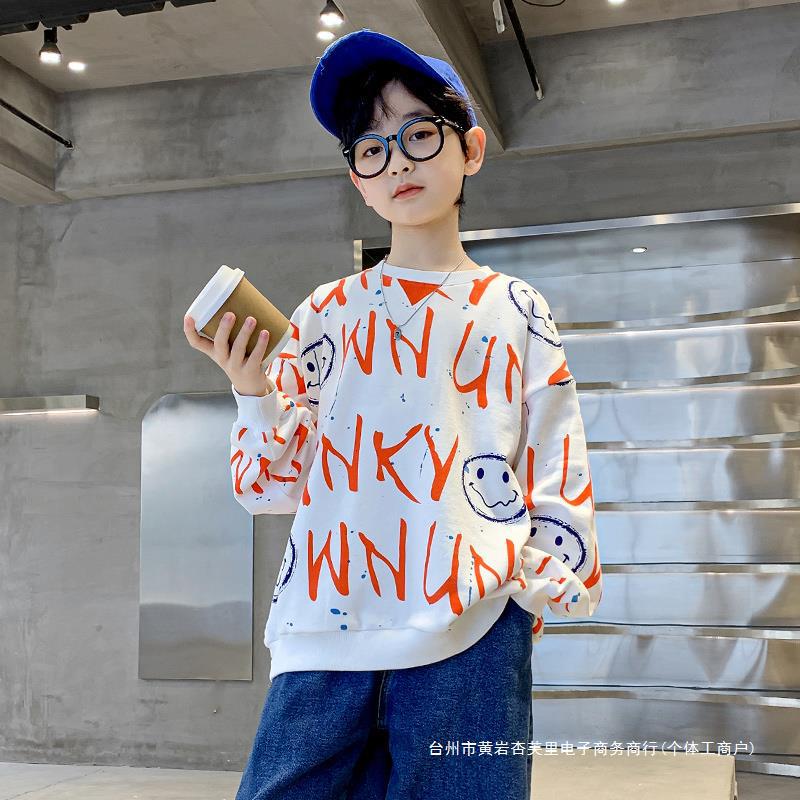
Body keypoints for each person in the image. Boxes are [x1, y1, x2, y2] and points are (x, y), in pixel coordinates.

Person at [184, 28, 602, 800]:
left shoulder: (515, 308)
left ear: (470, 148)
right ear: (358, 180)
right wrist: (251, 392)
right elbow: (267, 487)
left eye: (419, 134)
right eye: (372, 148)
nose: (398, 161)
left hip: (471, 634)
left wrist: (530, 591)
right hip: (322, 632)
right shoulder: (325, 313)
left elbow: (555, 463)